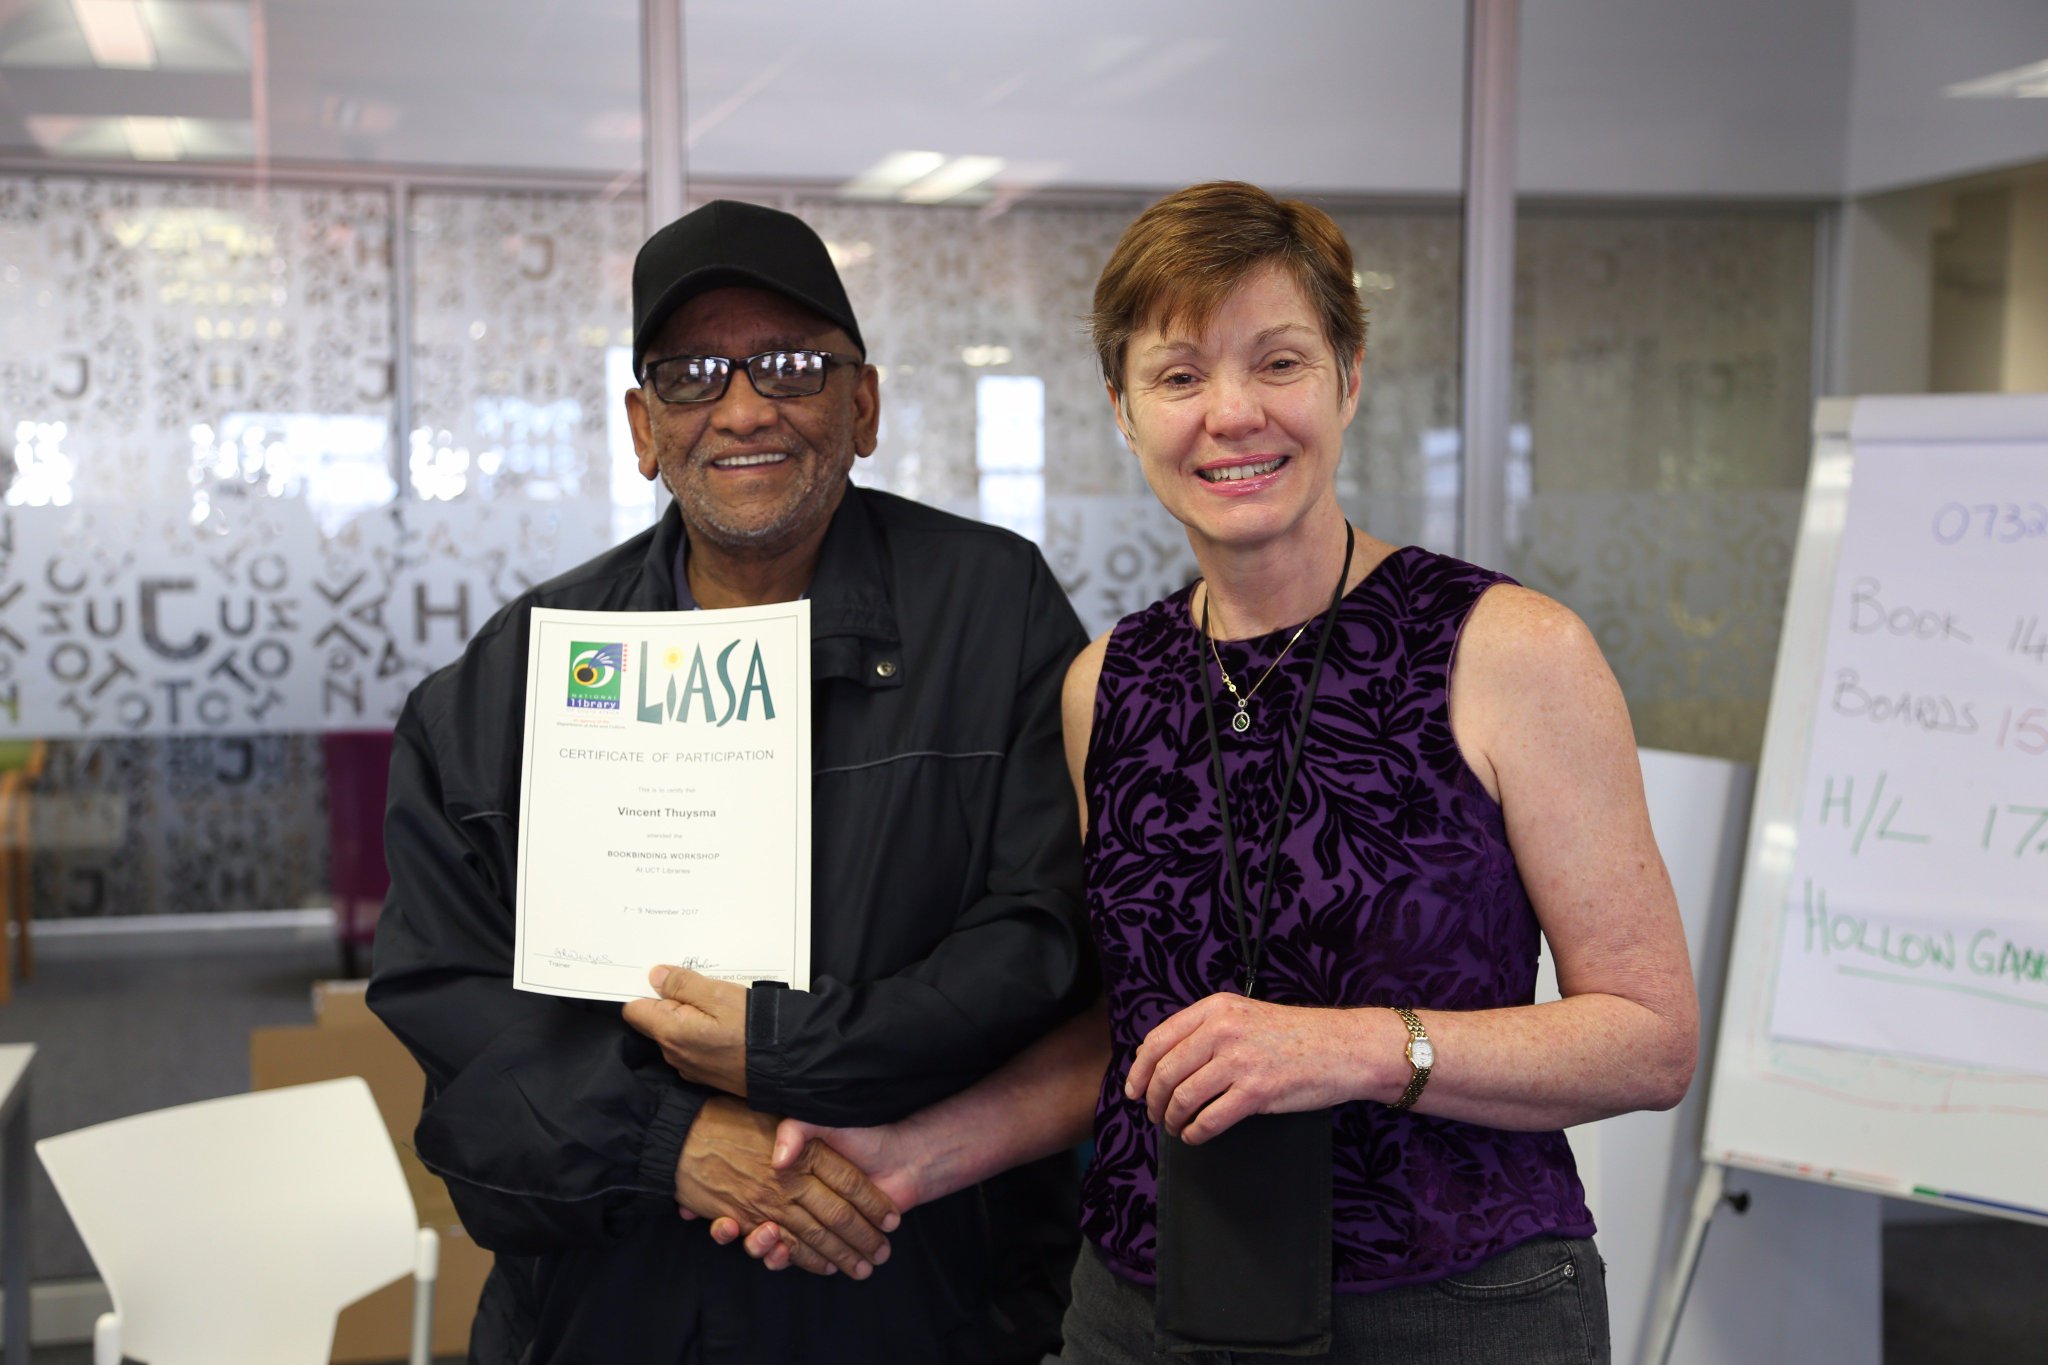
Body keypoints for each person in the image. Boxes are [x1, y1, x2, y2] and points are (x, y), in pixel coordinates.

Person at [715, 182, 1699, 1365]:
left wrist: (1350, 1047)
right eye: (1178, 376)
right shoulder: (1104, 686)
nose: (1230, 414)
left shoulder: (1507, 650)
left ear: (1347, 375)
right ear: (1124, 414)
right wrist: (913, 1156)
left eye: (1276, 361)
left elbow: (1647, 1040)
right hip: (1140, 1307)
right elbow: (1125, 1047)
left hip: (1452, 1309)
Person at [367, 198, 1096, 1364]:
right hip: (607, 1314)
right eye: (693, 372)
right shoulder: (518, 673)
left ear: (861, 406)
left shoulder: (994, 614)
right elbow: (458, 1016)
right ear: (642, 426)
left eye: (791, 364)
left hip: (924, 1295)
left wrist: (778, 1048)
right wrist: (673, 1141)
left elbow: (1042, 944)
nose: (744, 406)